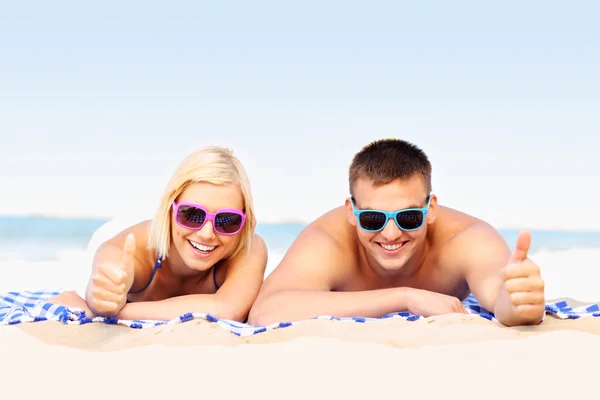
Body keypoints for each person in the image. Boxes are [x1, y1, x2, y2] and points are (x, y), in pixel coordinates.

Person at [248, 138, 545, 327]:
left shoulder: (468, 239)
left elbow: (501, 300)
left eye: (409, 216)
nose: (391, 233)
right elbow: (266, 312)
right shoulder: (329, 241)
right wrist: (405, 297)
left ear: (431, 209)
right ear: (352, 212)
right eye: (374, 218)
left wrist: (520, 303)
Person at [50, 146, 268, 323]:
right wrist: (101, 300)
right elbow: (101, 290)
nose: (207, 233)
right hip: (128, 234)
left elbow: (227, 310)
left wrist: (118, 314)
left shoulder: (249, 247)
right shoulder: (132, 249)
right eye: (192, 214)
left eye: (226, 220)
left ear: (245, 220)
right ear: (170, 208)